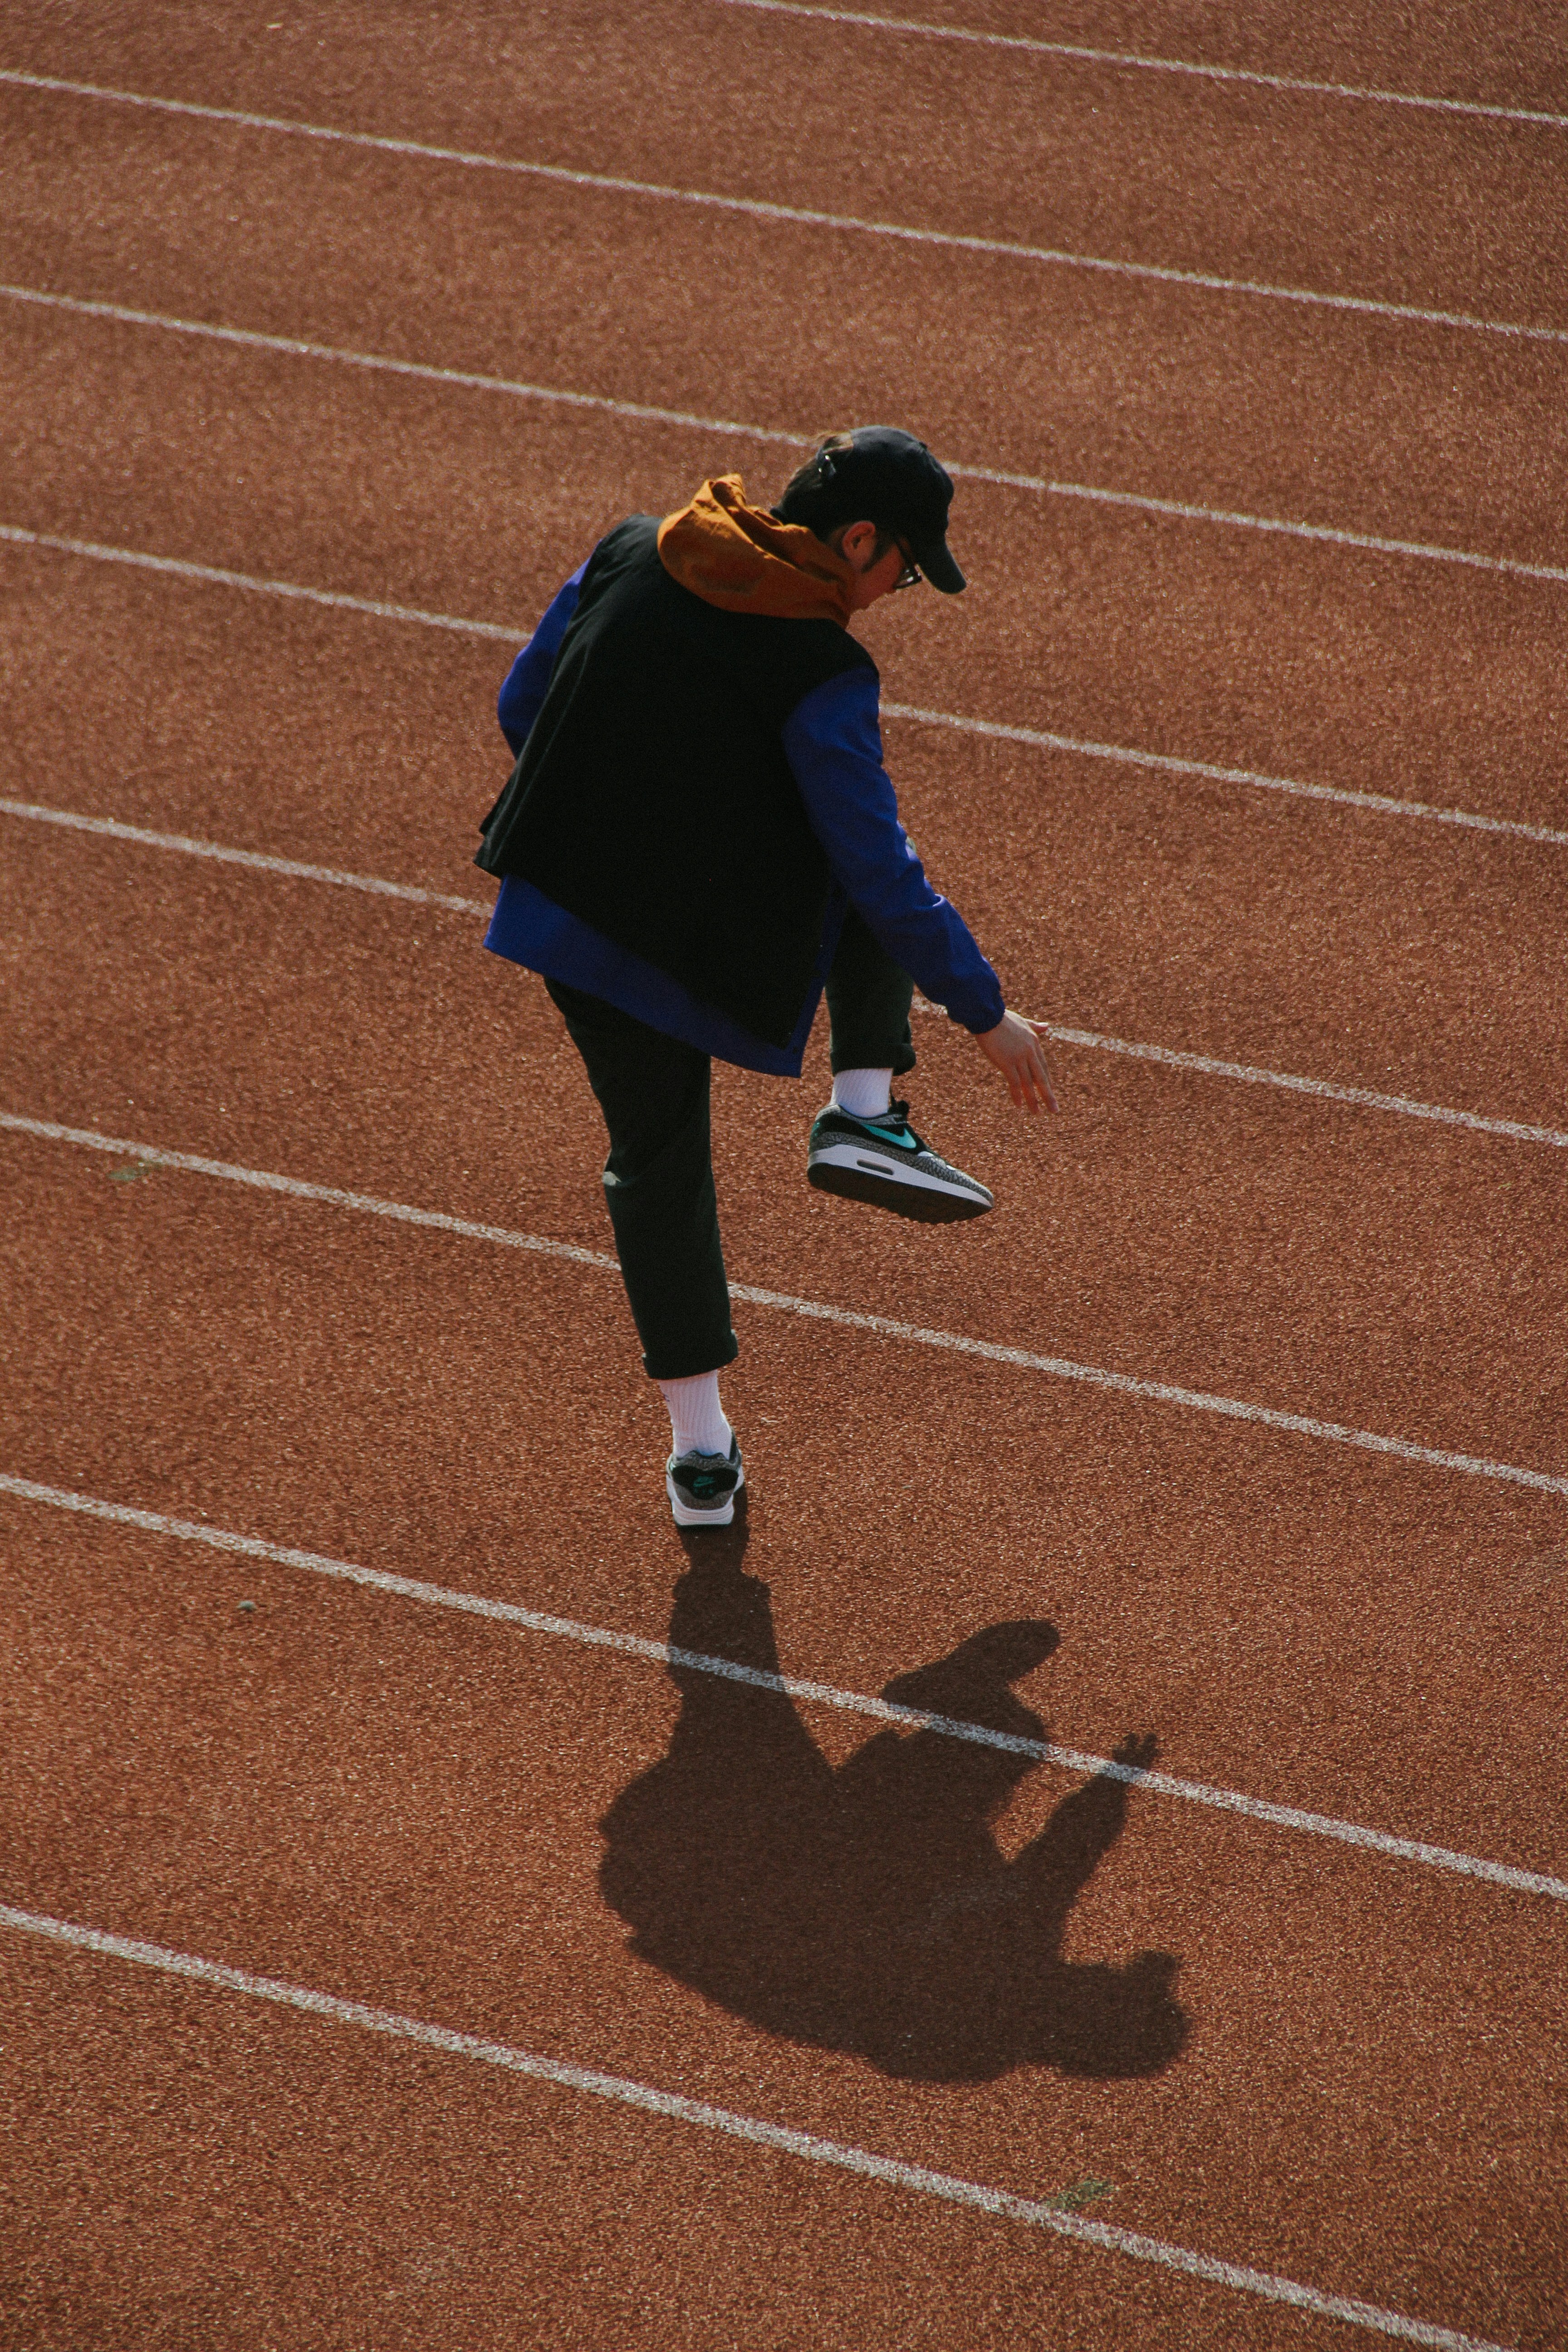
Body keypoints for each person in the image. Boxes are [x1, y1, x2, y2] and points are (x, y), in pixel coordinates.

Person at [476, 426, 1057, 1529]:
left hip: (563, 915)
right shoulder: (824, 669)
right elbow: (877, 873)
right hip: (689, 930)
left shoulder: (633, 547)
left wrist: (630, 823)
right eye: (904, 568)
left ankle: (701, 1456)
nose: (898, 592)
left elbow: (523, 705)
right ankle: (863, 1112)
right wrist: (989, 1017)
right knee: (865, 856)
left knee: (655, 1162)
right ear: (857, 539)